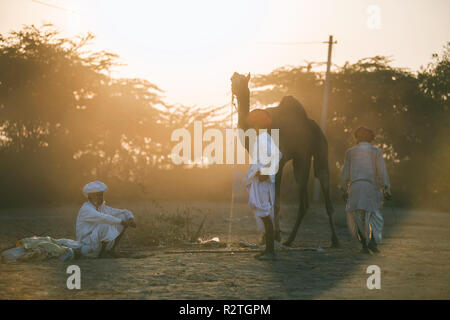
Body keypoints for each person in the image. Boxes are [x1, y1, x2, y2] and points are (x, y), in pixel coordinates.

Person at [341, 127, 391, 254]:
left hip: (355, 187)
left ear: (357, 138)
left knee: (358, 217)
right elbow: (382, 171)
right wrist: (386, 188)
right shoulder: (376, 151)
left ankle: (364, 245)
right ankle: (373, 242)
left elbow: (345, 172)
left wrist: (343, 189)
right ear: (371, 138)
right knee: (373, 216)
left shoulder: (350, 152)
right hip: (371, 187)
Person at [245, 109, 282, 260]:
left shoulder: (263, 138)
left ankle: (270, 251)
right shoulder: (263, 137)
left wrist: (265, 172)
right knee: (263, 213)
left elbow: (277, 156)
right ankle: (268, 249)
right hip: (261, 178)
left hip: (262, 180)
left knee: (265, 214)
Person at [76, 181, 136, 258]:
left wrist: (130, 218)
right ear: (90, 196)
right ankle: (103, 253)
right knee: (105, 224)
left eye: (101, 195)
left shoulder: (102, 207)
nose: (100, 197)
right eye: (97, 195)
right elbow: (103, 218)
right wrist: (121, 222)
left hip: (97, 242)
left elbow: (123, 212)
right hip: (87, 244)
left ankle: (111, 250)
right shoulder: (86, 208)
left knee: (122, 216)